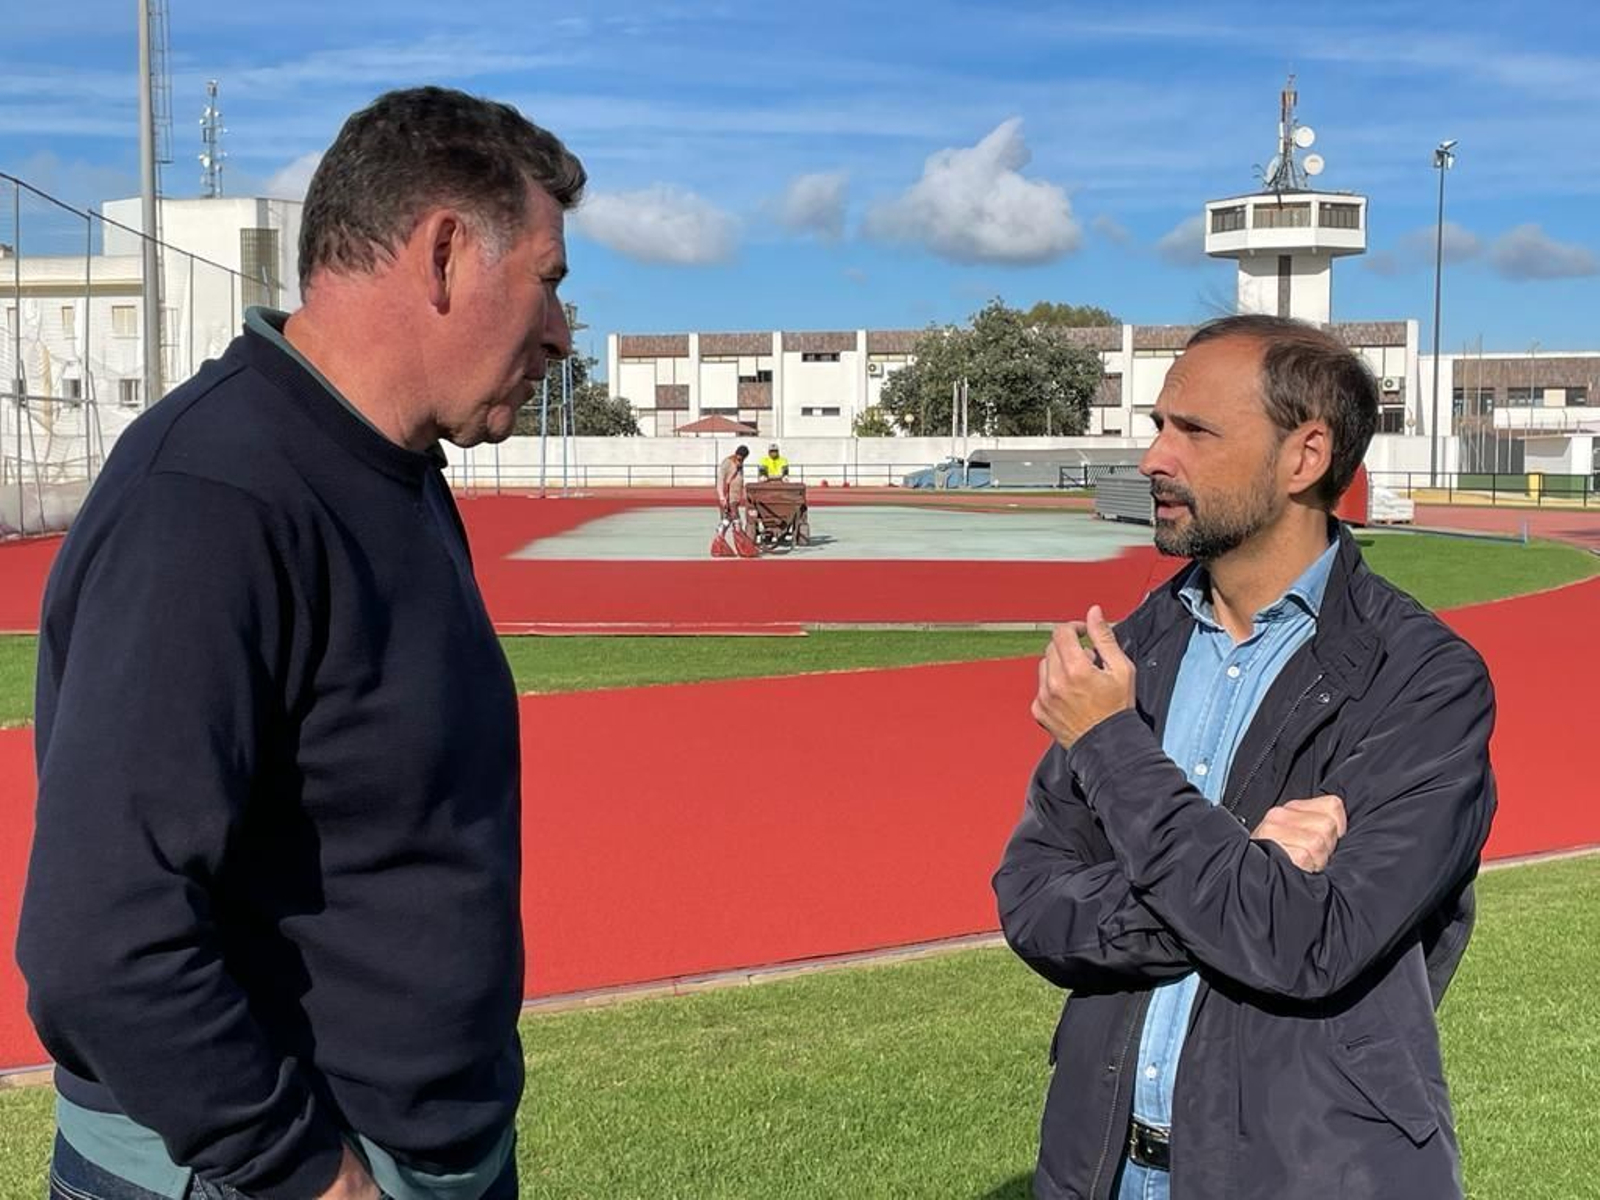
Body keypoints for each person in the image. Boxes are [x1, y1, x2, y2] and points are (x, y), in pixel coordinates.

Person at [17, 86, 585, 1200]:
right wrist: (304, 1175)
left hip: (415, 1148)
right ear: (443, 253)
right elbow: (100, 938)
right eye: (550, 283)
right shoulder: (212, 493)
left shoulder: (392, 473)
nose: (562, 334)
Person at [994, 314, 1496, 1200]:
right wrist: (1243, 868)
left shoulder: (1423, 682)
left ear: (1305, 458)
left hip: (1314, 1175)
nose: (1153, 458)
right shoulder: (1132, 651)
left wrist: (1112, 746)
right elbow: (1033, 905)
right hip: (1102, 1167)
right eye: (1157, 426)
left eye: (1193, 431)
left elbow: (1309, 943)